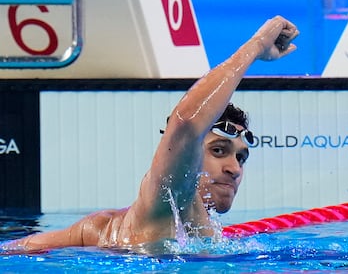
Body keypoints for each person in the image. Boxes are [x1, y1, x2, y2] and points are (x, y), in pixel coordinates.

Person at [1, 15, 299, 253]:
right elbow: (185, 123)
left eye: (241, 157)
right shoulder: (172, 201)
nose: (234, 169)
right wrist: (257, 46)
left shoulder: (104, 225)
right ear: (188, 151)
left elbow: (19, 248)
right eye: (218, 150)